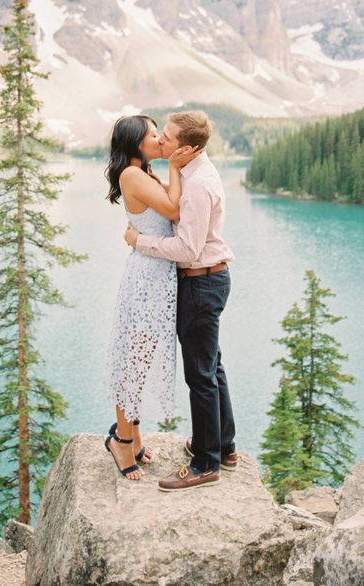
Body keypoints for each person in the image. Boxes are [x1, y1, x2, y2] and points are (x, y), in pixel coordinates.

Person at [124, 110, 236, 491]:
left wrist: (141, 242)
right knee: (212, 366)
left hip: (200, 282)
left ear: (187, 148)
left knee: (200, 375)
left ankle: (206, 464)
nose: (161, 142)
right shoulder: (188, 172)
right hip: (203, 281)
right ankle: (224, 445)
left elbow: (187, 248)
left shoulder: (199, 183)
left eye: (168, 138)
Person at [104, 114, 197, 481]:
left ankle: (134, 439)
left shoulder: (143, 173)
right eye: (153, 135)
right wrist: (175, 166)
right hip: (147, 281)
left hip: (155, 276)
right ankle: (121, 442)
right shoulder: (131, 174)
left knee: (139, 360)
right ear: (135, 144)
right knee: (135, 362)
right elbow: (173, 210)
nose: (159, 139)